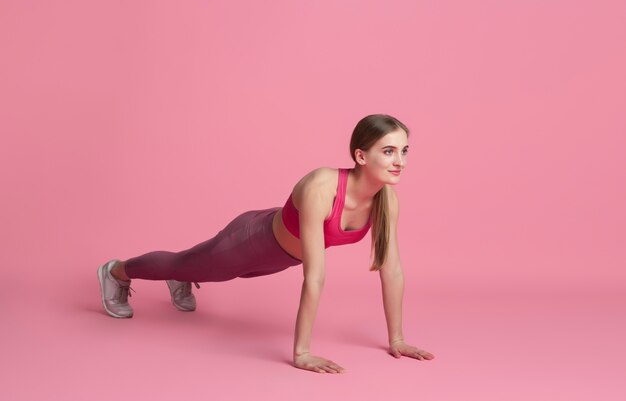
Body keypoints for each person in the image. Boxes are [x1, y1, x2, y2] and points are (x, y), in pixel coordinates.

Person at [97, 113, 435, 373]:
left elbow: (392, 271)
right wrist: (301, 353)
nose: (399, 161)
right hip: (250, 240)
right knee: (183, 263)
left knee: (198, 267)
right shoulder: (322, 186)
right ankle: (117, 272)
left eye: (404, 150)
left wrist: (397, 339)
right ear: (361, 156)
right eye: (388, 151)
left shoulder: (386, 200)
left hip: (280, 258)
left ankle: (181, 277)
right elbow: (315, 275)